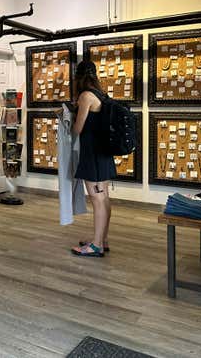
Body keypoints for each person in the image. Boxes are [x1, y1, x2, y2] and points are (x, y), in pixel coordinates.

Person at [71, 60, 116, 257]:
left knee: (97, 198)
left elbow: (78, 129)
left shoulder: (85, 96)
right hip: (104, 152)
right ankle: (101, 239)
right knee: (104, 197)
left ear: (79, 77)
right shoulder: (101, 95)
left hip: (92, 153)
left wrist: (68, 116)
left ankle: (96, 246)